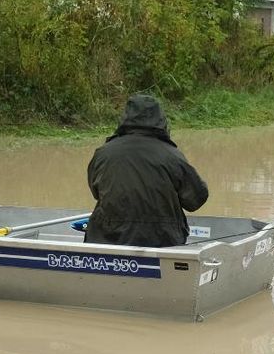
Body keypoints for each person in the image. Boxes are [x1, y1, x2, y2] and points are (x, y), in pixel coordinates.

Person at [84, 94, 208, 247]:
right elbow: (196, 199)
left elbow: (96, 192)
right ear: (161, 120)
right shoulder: (172, 156)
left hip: (107, 240)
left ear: (125, 118)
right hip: (162, 242)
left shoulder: (103, 153)